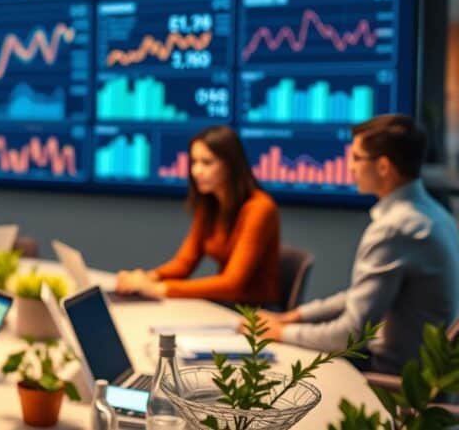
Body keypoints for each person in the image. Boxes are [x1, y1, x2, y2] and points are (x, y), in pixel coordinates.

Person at [255, 114, 459, 374]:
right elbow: (359, 296)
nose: (349, 166)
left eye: (356, 157)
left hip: (392, 376)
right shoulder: (435, 214)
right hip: (420, 371)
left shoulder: (394, 228)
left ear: (383, 166)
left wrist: (281, 332)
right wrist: (296, 316)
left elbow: (349, 335)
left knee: (279, 370)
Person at [115, 125, 281, 305]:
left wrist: (158, 289)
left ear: (231, 165)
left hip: (254, 313)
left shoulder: (260, 208)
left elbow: (232, 284)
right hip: (225, 304)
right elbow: (185, 263)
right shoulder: (210, 203)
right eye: (194, 162)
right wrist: (147, 278)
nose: (196, 171)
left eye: (207, 163)